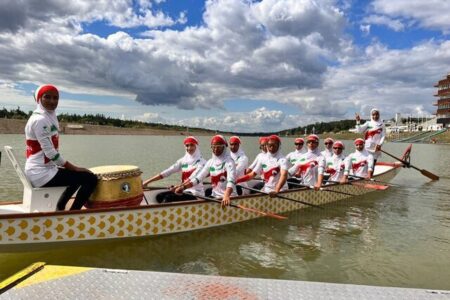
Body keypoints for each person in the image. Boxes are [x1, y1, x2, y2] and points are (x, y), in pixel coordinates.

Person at [25, 84, 98, 211]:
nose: (52, 101)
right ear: (39, 99)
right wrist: (74, 167)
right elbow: (51, 153)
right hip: (40, 173)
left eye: (55, 98)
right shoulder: (40, 120)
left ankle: (60, 207)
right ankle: (74, 212)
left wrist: (72, 169)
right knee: (90, 178)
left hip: (43, 169)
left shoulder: (48, 116)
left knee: (75, 177)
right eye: (47, 97)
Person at [174, 135, 236, 206]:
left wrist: (226, 195)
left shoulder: (230, 162)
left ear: (224, 147)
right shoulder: (210, 162)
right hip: (215, 196)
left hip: (229, 197)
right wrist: (183, 187)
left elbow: (231, 180)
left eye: (218, 147)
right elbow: (198, 178)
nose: (215, 149)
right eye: (213, 147)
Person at [142, 136, 206, 203]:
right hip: (183, 190)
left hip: (196, 194)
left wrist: (179, 186)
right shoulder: (183, 161)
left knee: (168, 198)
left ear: (196, 146)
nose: (189, 148)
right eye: (187, 145)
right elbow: (168, 171)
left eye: (192, 145)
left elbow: (193, 177)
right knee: (160, 196)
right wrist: (147, 182)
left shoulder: (202, 162)